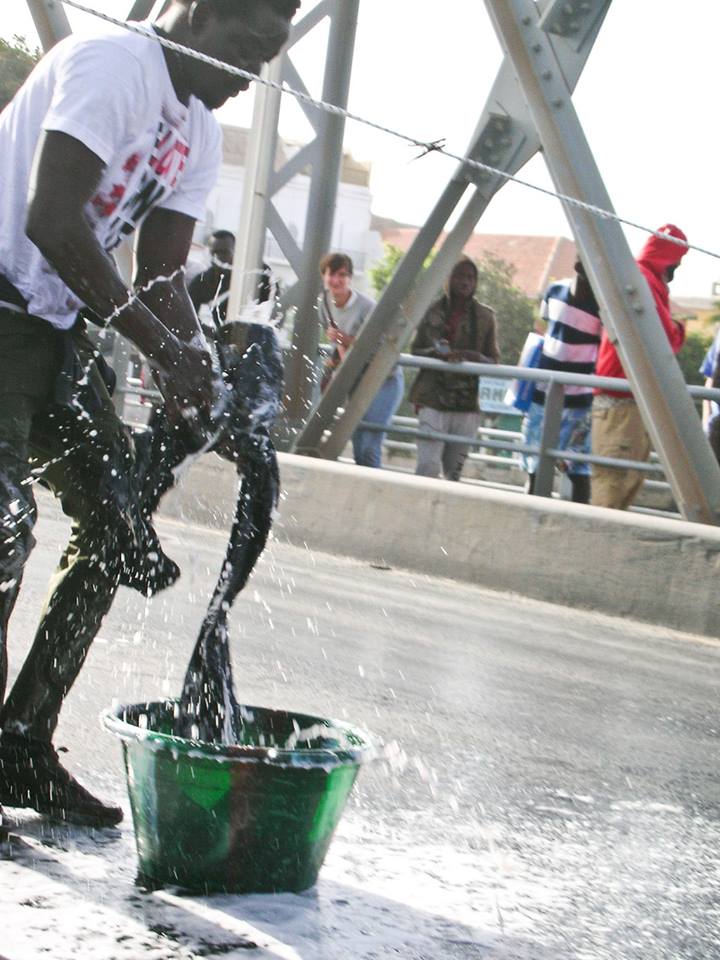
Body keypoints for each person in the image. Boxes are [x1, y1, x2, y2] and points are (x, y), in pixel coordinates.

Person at [0, 0, 299, 829]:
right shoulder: (113, 65)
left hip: (56, 330)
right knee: (2, 537)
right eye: (245, 47)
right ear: (198, 13)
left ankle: (21, 742)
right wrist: (160, 350)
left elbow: (162, 273)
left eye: (268, 58)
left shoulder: (199, 130)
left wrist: (197, 362)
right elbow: (51, 221)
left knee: (119, 530)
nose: (250, 75)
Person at [591, 224, 688, 510]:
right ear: (667, 257)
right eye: (677, 263)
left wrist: (674, 331)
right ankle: (596, 549)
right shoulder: (643, 281)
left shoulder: (645, 280)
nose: (676, 271)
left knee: (626, 481)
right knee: (613, 484)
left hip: (633, 400)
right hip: (622, 401)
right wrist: (678, 331)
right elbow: (665, 338)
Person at [409, 258, 500, 481]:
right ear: (448, 279)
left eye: (471, 277)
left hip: (466, 402)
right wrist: (436, 354)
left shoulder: (485, 316)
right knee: (427, 468)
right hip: (431, 398)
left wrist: (472, 357)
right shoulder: (430, 311)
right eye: (460, 276)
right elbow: (416, 351)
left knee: (453, 473)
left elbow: (494, 361)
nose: (465, 282)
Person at [522, 261, 602, 504]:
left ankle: (580, 521)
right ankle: (531, 514)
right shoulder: (554, 291)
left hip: (580, 400)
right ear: (579, 266)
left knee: (579, 468)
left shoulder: (603, 305)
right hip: (543, 392)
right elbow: (545, 329)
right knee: (535, 462)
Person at [317, 252, 404, 468]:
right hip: (355, 379)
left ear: (350, 278)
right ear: (323, 276)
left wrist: (345, 340)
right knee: (358, 444)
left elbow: (382, 347)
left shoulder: (367, 307)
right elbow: (336, 346)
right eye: (331, 274)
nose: (336, 280)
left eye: (342, 275)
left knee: (369, 444)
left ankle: (372, 491)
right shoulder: (324, 303)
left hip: (384, 379)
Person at [188, 229, 236, 329]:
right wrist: (213, 333)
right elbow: (188, 317)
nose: (218, 257)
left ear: (236, 251)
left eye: (224, 252)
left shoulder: (256, 275)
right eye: (214, 252)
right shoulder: (203, 281)